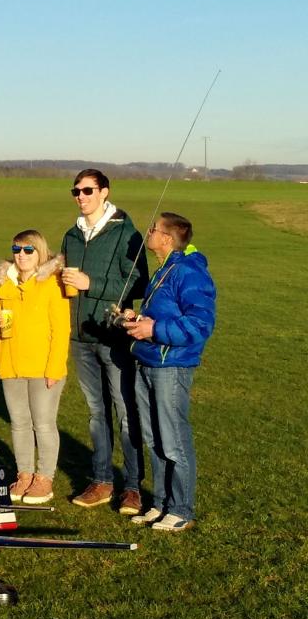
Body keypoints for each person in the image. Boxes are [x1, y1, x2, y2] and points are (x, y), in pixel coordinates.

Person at [60, 169, 148, 514]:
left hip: (113, 338)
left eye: (87, 190)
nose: (81, 197)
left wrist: (90, 283)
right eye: (76, 191)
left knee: (126, 412)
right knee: (97, 414)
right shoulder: (71, 235)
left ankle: (132, 487)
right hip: (80, 337)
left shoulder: (126, 233)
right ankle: (101, 480)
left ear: (104, 192)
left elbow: (140, 284)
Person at [124, 213, 216, 532]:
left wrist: (155, 329)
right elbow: (162, 314)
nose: (147, 233)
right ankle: (160, 503)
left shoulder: (190, 272)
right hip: (147, 361)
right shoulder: (164, 269)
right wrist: (138, 320)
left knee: (174, 439)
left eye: (153, 229)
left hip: (171, 366)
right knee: (153, 439)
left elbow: (201, 324)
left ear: (166, 238)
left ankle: (180, 509)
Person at [0, 231, 70, 504]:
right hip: (11, 364)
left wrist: (55, 369)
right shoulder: (4, 284)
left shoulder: (51, 284)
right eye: (16, 249)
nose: (21, 255)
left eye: (28, 250)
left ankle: (44, 478)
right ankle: (24, 474)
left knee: (43, 424)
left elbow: (61, 330)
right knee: (19, 423)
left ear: (40, 253)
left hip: (43, 366)